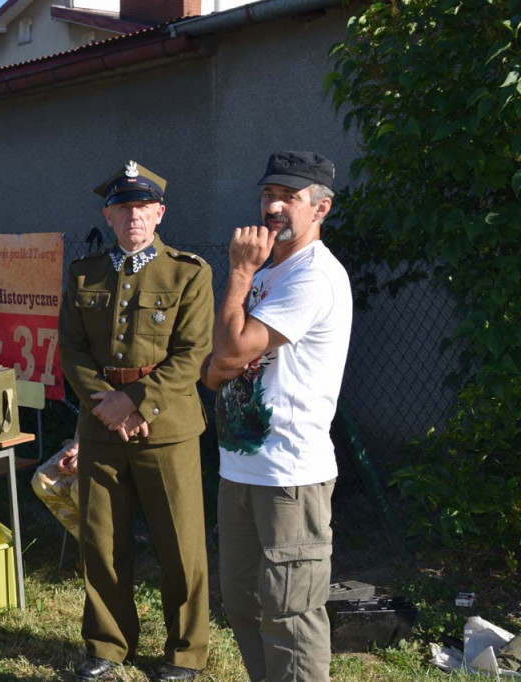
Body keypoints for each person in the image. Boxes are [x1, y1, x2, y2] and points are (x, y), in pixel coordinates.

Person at [58, 160, 214, 681]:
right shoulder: (84, 273)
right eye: (123, 207)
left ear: (160, 213)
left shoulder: (188, 271)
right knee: (101, 541)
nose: (133, 217)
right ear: (108, 213)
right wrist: (107, 402)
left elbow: (192, 354)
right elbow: (73, 350)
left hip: (165, 428)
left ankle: (185, 652)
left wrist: (136, 402)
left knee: (181, 545)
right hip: (101, 424)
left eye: (143, 207)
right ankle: (106, 644)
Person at [201, 151, 352, 682]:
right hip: (240, 467)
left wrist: (239, 272)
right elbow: (215, 368)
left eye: (290, 197)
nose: (274, 205)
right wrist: (225, 356)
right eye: (268, 194)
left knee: (291, 616)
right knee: (243, 605)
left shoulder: (312, 276)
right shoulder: (273, 273)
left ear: (321, 208)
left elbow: (232, 351)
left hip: (290, 476)